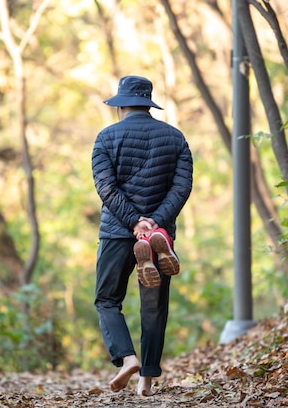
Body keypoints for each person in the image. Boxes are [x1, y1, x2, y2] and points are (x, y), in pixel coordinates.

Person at [91, 75, 193, 396]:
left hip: (117, 233)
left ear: (121, 105)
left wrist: (135, 222)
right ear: (148, 103)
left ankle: (127, 358)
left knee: (107, 299)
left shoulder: (105, 138)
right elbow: (182, 187)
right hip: (159, 234)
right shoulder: (176, 138)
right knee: (154, 305)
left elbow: (106, 187)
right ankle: (146, 379)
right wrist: (154, 223)